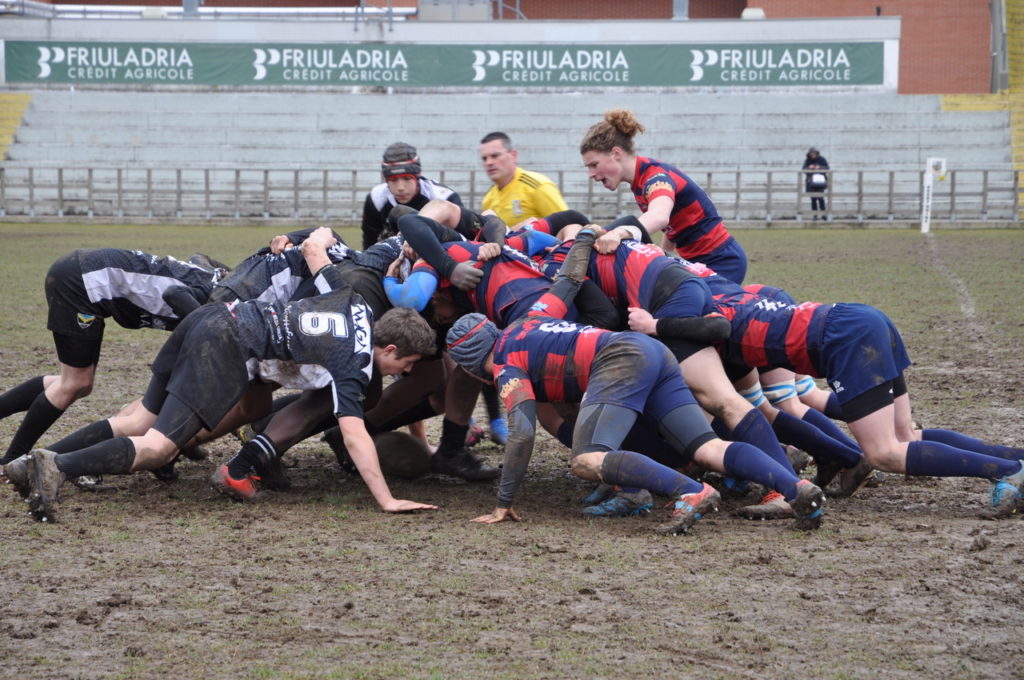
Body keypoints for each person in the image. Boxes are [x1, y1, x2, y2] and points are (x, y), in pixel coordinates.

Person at [5, 229, 440, 522]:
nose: (403, 374)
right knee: (157, 447)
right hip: (227, 343)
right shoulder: (357, 360)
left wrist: (314, 234)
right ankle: (55, 464)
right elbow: (355, 435)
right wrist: (387, 500)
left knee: (140, 420)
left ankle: (27, 465)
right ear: (389, 348)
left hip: (209, 320)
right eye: (406, 367)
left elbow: (316, 249)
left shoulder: (345, 294)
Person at [0, 248, 225, 466]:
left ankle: (13, 455)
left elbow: (199, 257)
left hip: (84, 277)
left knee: (77, 382)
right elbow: (174, 293)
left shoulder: (220, 286)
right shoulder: (216, 301)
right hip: (80, 282)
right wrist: (205, 325)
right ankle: (11, 460)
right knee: (74, 383)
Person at [579, 109, 748, 284]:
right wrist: (665, 253)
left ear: (616, 154)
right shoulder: (640, 179)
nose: (591, 174)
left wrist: (619, 233)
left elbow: (660, 216)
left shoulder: (655, 178)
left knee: (698, 309)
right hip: (696, 261)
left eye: (594, 164)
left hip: (722, 261)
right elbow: (672, 223)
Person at [361, 142, 463, 250]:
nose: (401, 187)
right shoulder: (376, 198)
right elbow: (369, 240)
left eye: (407, 178)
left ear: (418, 175)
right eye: (393, 180)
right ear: (386, 180)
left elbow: (464, 238)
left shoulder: (444, 198)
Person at [479, 132, 568, 226]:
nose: (489, 162)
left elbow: (568, 223)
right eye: (484, 158)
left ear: (513, 155)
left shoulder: (537, 186)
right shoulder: (488, 199)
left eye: (495, 156)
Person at [802, 147, 830, 219]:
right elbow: (803, 169)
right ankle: (815, 215)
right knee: (813, 198)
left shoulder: (822, 159)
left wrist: (819, 167)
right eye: (811, 154)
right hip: (811, 182)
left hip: (820, 182)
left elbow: (827, 168)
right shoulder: (807, 160)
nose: (812, 155)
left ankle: (823, 214)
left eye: (814, 153)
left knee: (821, 198)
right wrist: (809, 168)